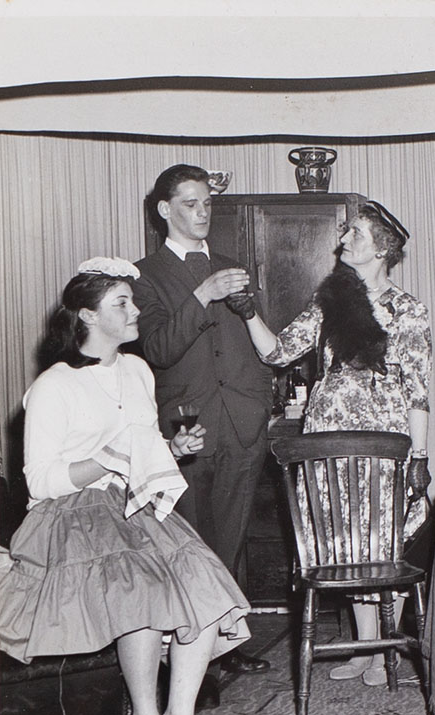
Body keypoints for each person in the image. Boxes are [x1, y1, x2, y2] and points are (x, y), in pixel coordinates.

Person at [0, 259, 252, 715]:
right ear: (87, 316)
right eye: (122, 304)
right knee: (141, 598)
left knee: (207, 588)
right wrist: (108, 458)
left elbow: (144, 447)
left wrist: (173, 448)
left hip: (138, 501)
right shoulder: (53, 386)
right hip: (74, 515)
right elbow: (41, 481)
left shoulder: (137, 370)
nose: (136, 311)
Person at [235, 200, 432, 687]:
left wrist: (419, 458)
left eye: (356, 235)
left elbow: (418, 389)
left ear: (383, 249)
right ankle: (368, 651)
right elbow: (279, 351)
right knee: (346, 535)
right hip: (328, 434)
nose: (344, 241)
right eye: (345, 233)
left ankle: (384, 649)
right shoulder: (329, 300)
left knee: (386, 535)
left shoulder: (408, 310)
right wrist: (247, 313)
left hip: (384, 436)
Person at [132, 164, 272, 675]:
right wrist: (202, 295)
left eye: (207, 203)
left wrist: (261, 404)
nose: (201, 212)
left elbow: (257, 342)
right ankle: (194, 653)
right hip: (185, 429)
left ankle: (229, 643)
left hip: (241, 422)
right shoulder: (142, 276)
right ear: (165, 210)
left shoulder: (235, 265)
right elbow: (158, 349)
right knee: (190, 541)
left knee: (232, 538)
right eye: (190, 204)